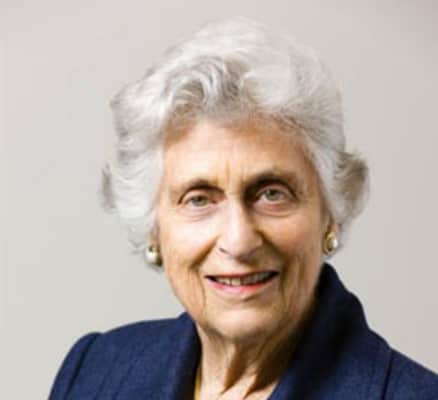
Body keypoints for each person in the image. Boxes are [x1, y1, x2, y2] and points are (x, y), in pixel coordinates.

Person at [49, 17, 438, 399]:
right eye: (198, 199)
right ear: (154, 229)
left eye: (272, 194)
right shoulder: (95, 372)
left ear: (331, 214)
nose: (239, 241)